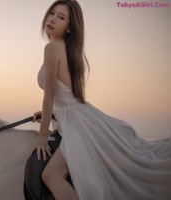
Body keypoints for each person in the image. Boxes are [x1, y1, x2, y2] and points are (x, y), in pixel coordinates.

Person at [31, 0, 171, 199]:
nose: (52, 19)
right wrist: (52, 113)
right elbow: (66, 95)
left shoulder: (52, 48)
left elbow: (50, 95)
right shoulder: (68, 49)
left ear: (70, 27)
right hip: (80, 116)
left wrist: (42, 136)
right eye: (52, 13)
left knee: (51, 175)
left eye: (61, 17)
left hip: (77, 123)